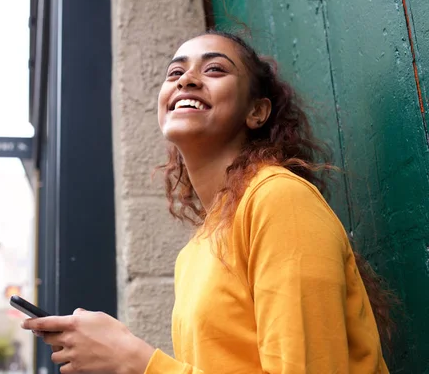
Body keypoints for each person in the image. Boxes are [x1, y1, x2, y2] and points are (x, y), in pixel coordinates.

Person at [22, 30, 393, 373]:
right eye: (174, 73)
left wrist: (136, 361)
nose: (186, 79)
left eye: (215, 68)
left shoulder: (279, 200)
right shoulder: (195, 251)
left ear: (257, 112)